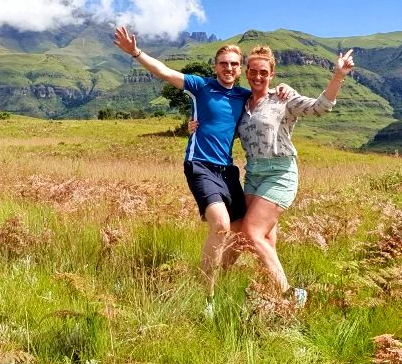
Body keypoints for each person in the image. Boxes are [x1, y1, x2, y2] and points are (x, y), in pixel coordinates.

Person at [113, 26, 292, 302]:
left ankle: (235, 284)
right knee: (220, 225)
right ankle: (206, 296)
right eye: (223, 64)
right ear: (215, 66)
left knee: (246, 232)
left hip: (228, 170)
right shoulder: (201, 86)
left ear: (240, 68)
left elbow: (264, 95)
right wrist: (136, 52)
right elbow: (165, 72)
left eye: (234, 64)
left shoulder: (244, 96)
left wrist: (284, 88)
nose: (228, 68)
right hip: (200, 165)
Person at [190, 45, 354, 307]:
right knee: (250, 235)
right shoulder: (242, 104)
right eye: (253, 71)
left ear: (272, 73)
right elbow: (222, 130)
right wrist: (196, 127)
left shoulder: (283, 98)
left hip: (280, 172)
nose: (257, 77)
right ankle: (224, 287)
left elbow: (321, 107)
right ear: (246, 72)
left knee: (253, 233)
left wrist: (338, 76)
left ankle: (290, 295)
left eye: (263, 72)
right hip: (253, 173)